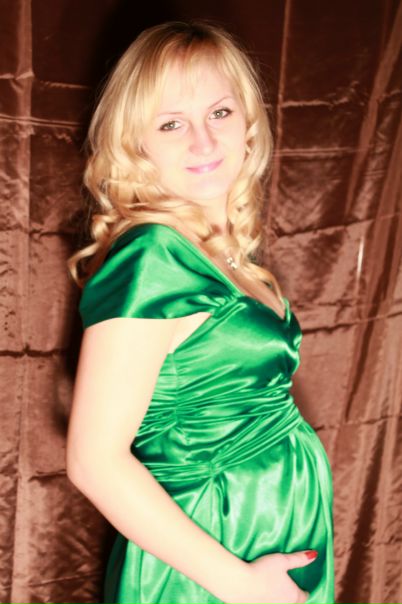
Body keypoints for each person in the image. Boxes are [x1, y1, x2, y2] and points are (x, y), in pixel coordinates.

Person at [66, 20, 335, 604]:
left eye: (219, 113)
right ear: (136, 143)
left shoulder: (223, 254)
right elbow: (93, 461)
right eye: (171, 124)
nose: (204, 142)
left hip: (264, 537)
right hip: (212, 559)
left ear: (248, 123)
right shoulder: (152, 257)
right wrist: (240, 584)